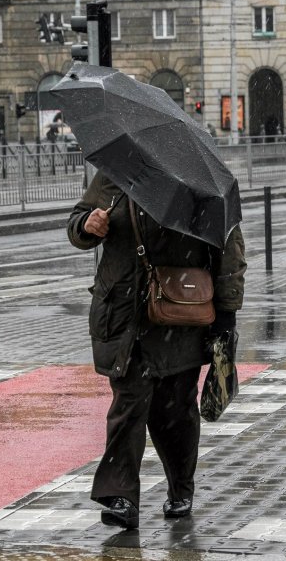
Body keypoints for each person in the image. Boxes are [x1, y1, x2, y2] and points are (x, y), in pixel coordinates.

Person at [67, 172, 246, 530]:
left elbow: (229, 251)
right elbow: (77, 223)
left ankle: (181, 487)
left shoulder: (200, 184)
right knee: (128, 405)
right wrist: (88, 225)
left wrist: (225, 317)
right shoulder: (115, 175)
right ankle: (121, 497)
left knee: (175, 410)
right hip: (125, 314)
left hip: (179, 314)